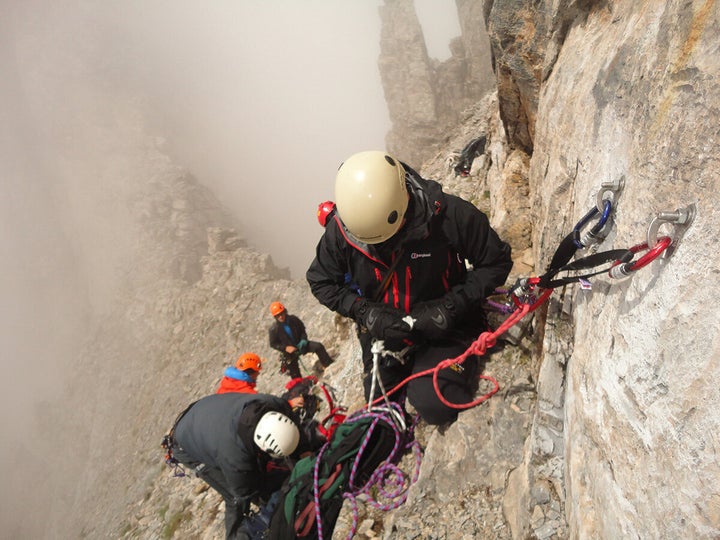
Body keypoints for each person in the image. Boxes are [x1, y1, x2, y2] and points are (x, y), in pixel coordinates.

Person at [306, 150, 513, 425]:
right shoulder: (342, 231)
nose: (381, 249)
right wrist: (366, 312)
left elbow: (495, 262)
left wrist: (451, 306)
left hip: (450, 326)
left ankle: (443, 363)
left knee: (435, 401)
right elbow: (321, 281)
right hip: (386, 333)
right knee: (379, 418)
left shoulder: (448, 217)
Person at [168, 392, 306, 539]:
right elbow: (243, 491)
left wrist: (305, 449)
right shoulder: (234, 456)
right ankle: (235, 536)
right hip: (185, 442)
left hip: (202, 415)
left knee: (261, 475)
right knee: (235, 499)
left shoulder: (272, 404)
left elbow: (289, 419)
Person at [216, 352, 306, 410]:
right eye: (257, 371)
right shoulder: (247, 393)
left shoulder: (227, 382)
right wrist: (290, 403)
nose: (258, 374)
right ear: (252, 372)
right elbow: (268, 405)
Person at [268, 302, 334, 378]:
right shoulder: (274, 329)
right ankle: (299, 384)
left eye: (281, 314)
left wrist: (303, 340)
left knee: (318, 346)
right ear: (275, 317)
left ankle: (328, 365)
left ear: (284, 312)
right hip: (289, 352)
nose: (280, 317)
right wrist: (285, 348)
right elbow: (273, 344)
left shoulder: (293, 319)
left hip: (301, 345)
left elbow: (302, 330)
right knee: (292, 367)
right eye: (277, 316)